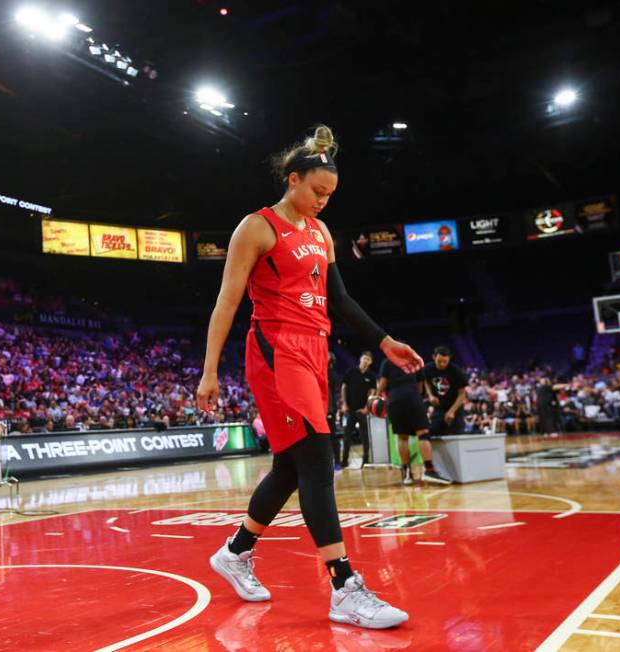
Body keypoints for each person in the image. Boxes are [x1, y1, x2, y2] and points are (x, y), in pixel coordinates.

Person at [197, 125, 422, 629]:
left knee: (292, 468)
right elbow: (227, 301)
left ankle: (235, 552)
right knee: (318, 458)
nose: (323, 202)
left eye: (330, 195)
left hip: (314, 353)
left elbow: (339, 301)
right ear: (292, 179)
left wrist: (383, 341)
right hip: (275, 352)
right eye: (317, 191)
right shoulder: (256, 227)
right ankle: (344, 586)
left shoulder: (321, 234)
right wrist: (210, 369)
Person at [377, 354, 451, 485]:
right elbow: (420, 387)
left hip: (394, 400)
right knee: (423, 433)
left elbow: (383, 383)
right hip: (412, 397)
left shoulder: (387, 362)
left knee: (402, 437)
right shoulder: (415, 361)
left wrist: (375, 397)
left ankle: (406, 474)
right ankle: (429, 470)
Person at [422, 346, 468, 439]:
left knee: (457, 435)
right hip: (439, 407)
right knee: (433, 434)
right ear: (434, 357)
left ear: (449, 359)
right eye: (439, 361)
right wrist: (430, 396)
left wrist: (451, 411)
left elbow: (462, 394)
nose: (442, 364)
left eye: (445, 362)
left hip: (455, 407)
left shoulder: (456, 371)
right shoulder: (427, 369)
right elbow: (426, 382)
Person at [340, 351, 376, 468]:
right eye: (364, 358)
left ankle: (365, 460)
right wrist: (344, 404)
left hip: (363, 410)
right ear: (360, 359)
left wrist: (367, 408)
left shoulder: (371, 376)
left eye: (368, 359)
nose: (366, 360)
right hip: (350, 409)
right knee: (346, 437)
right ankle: (344, 461)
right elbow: (344, 387)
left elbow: (372, 393)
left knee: (365, 436)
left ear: (370, 363)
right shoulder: (351, 372)